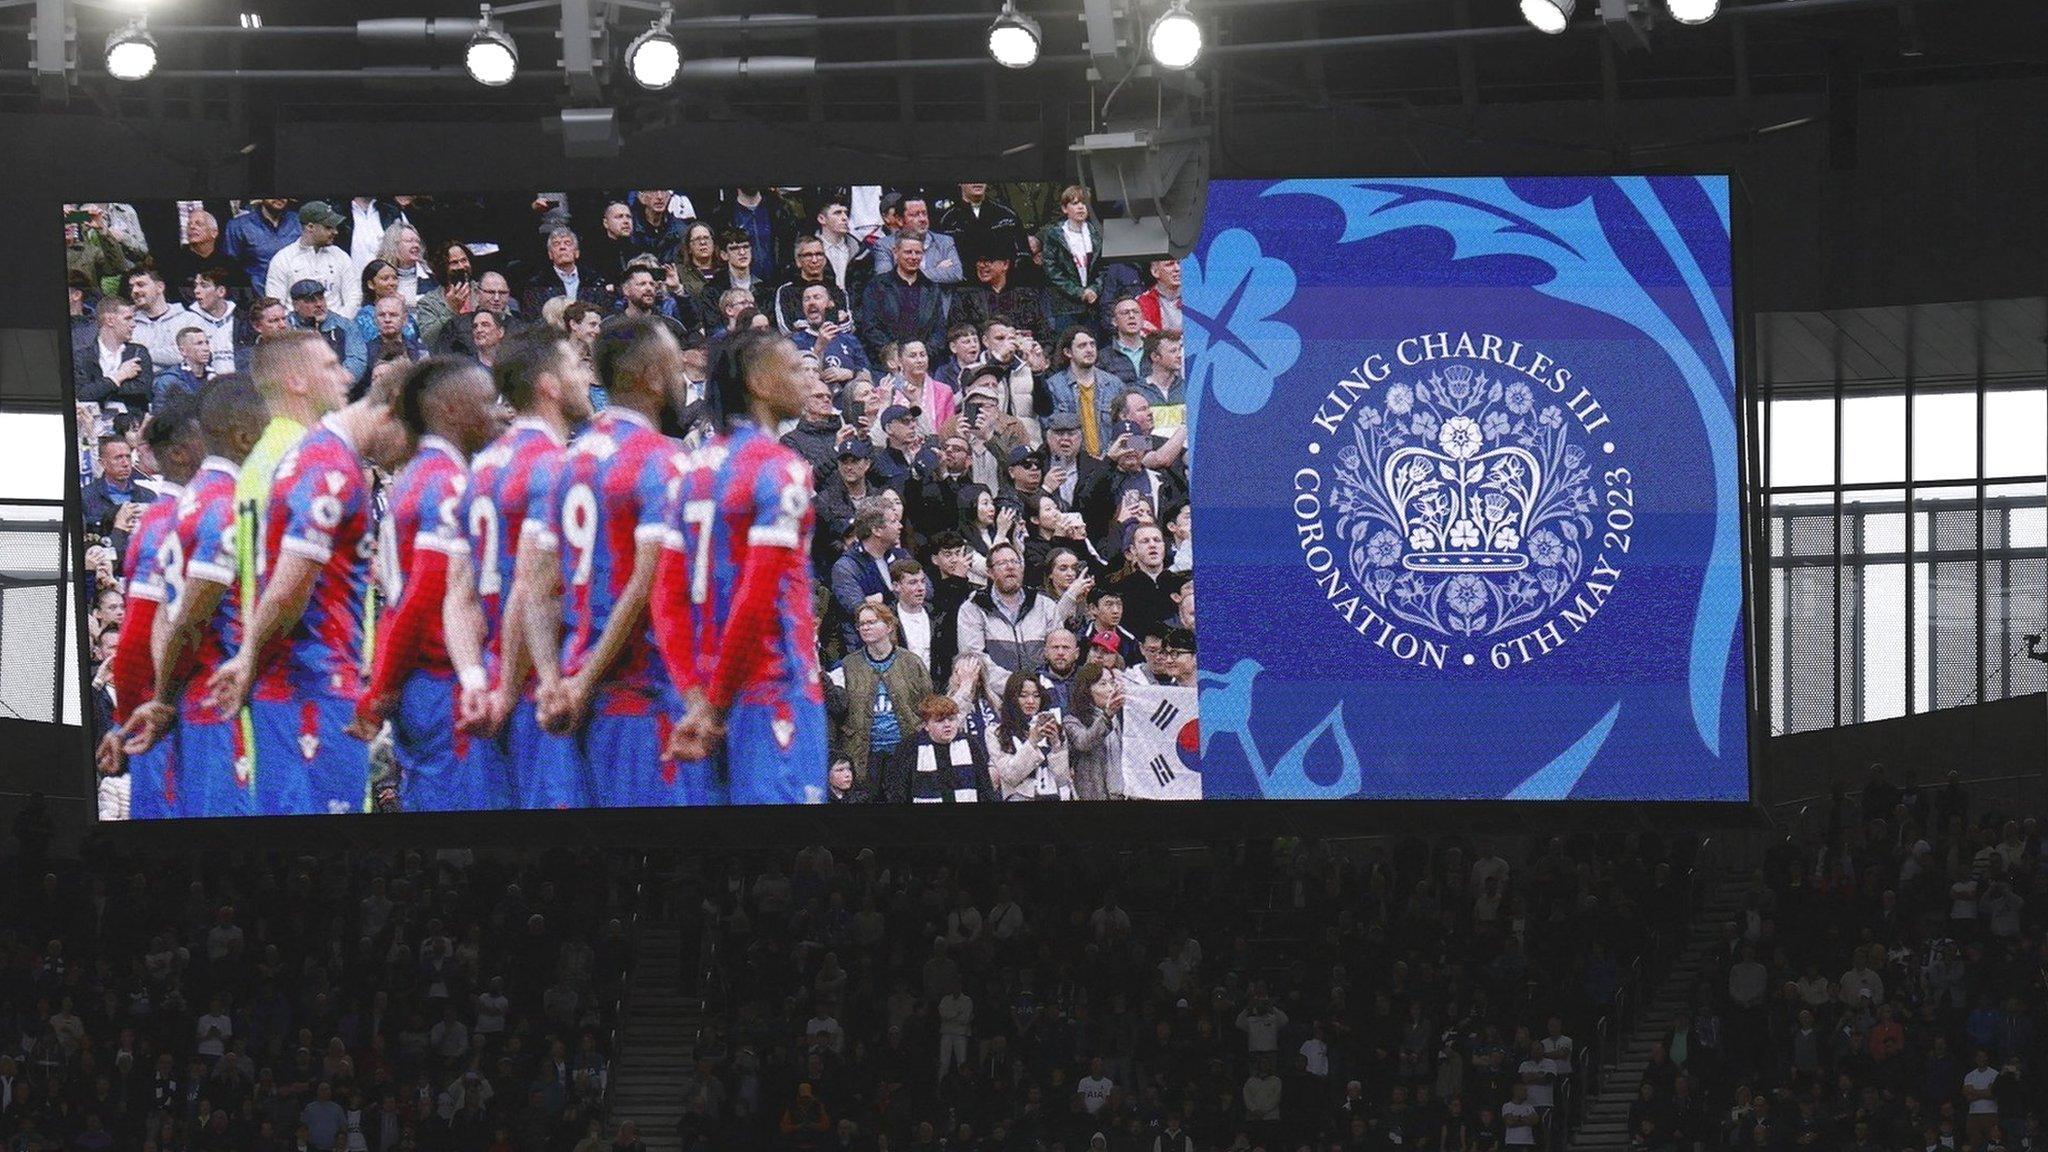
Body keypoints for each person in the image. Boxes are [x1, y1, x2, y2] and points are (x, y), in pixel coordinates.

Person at [204, 333, 409, 816]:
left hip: (279, 673)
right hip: (308, 676)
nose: (344, 376)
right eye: (332, 364)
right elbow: (294, 577)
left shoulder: (259, 460)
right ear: (296, 380)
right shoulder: (310, 455)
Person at [657, 327, 830, 804]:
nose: (810, 382)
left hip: (696, 696)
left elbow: (666, 596)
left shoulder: (687, 470)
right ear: (759, 381)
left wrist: (695, 695)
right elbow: (757, 597)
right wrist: (715, 706)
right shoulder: (782, 469)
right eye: (796, 368)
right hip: (772, 690)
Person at [526, 316, 692, 809]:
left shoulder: (564, 462)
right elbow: (645, 586)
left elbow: (535, 586)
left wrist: (555, 681)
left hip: (577, 702)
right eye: (677, 365)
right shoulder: (661, 461)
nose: (684, 378)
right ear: (653, 378)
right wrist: (583, 683)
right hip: (640, 697)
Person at [444, 332, 596, 811]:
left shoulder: (480, 467)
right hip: (539, 687)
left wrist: (476, 680)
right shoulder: (554, 465)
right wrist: (510, 692)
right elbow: (529, 590)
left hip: (489, 682)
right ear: (549, 385)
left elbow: (459, 597)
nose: (586, 378)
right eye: (576, 367)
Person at [350, 357, 502, 812]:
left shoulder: (414, 479)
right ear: (453, 410)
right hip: (440, 683)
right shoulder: (445, 483)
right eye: (486, 402)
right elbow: (425, 596)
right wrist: (383, 690)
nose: (497, 413)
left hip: (416, 680)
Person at [96, 396, 204, 820]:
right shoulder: (169, 520)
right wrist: (131, 722)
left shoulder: (172, 514)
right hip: (169, 719)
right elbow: (138, 633)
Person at [834, 602, 930, 798]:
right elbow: (839, 708)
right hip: (865, 754)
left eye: (871, 622)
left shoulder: (911, 662)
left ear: (889, 626)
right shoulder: (848, 665)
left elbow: (927, 705)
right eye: (861, 624)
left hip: (904, 750)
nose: (865, 627)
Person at [956, 541, 1062, 698]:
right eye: (1002, 563)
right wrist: (1017, 687)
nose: (1010, 567)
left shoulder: (1046, 605)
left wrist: (1037, 689)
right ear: (989, 572)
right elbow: (975, 658)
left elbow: (1057, 652)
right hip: (995, 699)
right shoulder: (973, 608)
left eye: (1015, 562)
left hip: (1042, 695)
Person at [881, 694, 994, 804]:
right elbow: (898, 791)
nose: (947, 725)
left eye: (951, 719)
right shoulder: (910, 746)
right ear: (926, 725)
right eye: (940, 721)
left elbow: (985, 787)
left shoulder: (970, 743)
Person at [857, 233, 949, 362]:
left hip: (925, 363)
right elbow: (870, 327)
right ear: (895, 252)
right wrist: (895, 355)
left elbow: (939, 329)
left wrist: (921, 355)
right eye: (908, 252)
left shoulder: (931, 288)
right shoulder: (878, 286)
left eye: (918, 252)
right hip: (886, 364)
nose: (913, 257)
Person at [265, 201, 359, 319]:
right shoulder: (283, 259)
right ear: (310, 227)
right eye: (328, 227)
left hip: (337, 328)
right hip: (297, 332)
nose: (335, 232)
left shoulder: (341, 256)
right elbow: (276, 304)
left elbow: (354, 298)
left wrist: (337, 324)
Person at [988, 672, 1071, 801]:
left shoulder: (1054, 727)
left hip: (1054, 796)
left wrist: (1055, 745)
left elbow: (1063, 778)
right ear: (1012, 697)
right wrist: (1032, 742)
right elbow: (1010, 776)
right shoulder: (995, 732)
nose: (1031, 701)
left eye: (1036, 696)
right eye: (1023, 696)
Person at [1039, 186, 1103, 332]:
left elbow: (1103, 267)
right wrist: (1078, 292)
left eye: (1084, 203)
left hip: (1092, 305)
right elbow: (1051, 269)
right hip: (1065, 307)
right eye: (1075, 203)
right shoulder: (1055, 234)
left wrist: (1094, 289)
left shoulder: (1097, 233)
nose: (1081, 207)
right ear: (1064, 208)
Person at [74, 299, 153, 410]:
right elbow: (82, 395)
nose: (133, 324)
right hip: (93, 423)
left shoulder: (138, 352)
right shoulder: (82, 356)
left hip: (131, 423)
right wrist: (119, 376)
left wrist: (101, 385)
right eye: (128, 318)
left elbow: (142, 390)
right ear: (110, 320)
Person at [1063, 661, 1125, 801]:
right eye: (1103, 684)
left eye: (1111, 683)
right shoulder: (1071, 720)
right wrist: (1106, 716)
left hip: (1119, 794)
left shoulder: (1116, 718)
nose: (1110, 689)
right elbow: (1083, 742)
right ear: (1087, 690)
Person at [287, 278, 368, 382]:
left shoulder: (345, 326)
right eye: (311, 300)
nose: (319, 304)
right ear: (295, 305)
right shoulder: (285, 328)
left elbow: (357, 361)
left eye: (321, 298)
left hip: (339, 389)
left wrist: (331, 384)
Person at [522, 227, 610, 319]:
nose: (562, 247)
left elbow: (604, 315)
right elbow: (532, 319)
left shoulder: (595, 281)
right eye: (556, 244)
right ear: (550, 255)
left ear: (577, 253)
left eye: (567, 243)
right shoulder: (537, 285)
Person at [81, 434, 157, 539]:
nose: (125, 463)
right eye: (118, 458)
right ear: (103, 463)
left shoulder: (148, 497)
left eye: (128, 457)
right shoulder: (86, 497)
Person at [221, 198, 302, 291]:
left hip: (296, 294)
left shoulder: (299, 221)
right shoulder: (238, 226)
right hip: (257, 297)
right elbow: (231, 268)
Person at [125, 267, 197, 369]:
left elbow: (189, 353)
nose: (134, 291)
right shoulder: (129, 323)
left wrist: (142, 354)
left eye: (140, 285)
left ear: (160, 287)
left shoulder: (188, 319)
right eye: (131, 287)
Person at [150, 326, 214, 413]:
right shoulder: (168, 381)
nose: (206, 348)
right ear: (183, 351)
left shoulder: (214, 377)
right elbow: (159, 418)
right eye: (199, 343)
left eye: (207, 343)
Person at [1136, 258, 1183, 334]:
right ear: (1155, 272)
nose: (1178, 268)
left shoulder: (1198, 299)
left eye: (1179, 263)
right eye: (1169, 264)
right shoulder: (1142, 302)